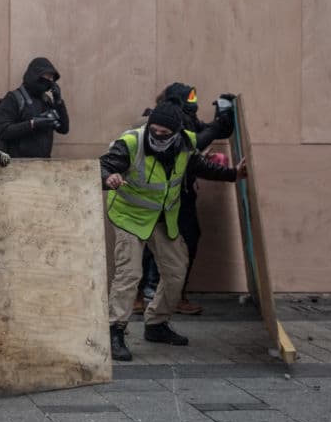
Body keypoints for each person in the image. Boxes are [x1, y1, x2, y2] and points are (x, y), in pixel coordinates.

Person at [101, 100, 244, 362]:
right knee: (129, 273)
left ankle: (157, 324)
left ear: (176, 132)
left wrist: (232, 174)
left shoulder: (186, 144)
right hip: (128, 216)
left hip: (162, 218)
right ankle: (115, 331)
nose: (158, 137)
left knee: (176, 271)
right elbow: (103, 166)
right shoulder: (131, 143)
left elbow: (199, 167)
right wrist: (108, 177)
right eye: (154, 131)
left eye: (164, 133)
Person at [135, 84, 236, 315]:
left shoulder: (188, 118)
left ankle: (174, 295)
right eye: (189, 98)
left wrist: (224, 111)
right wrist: (217, 126)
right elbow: (193, 143)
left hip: (182, 192)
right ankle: (140, 295)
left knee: (188, 239)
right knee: (149, 245)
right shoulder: (164, 119)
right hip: (158, 194)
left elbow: (213, 133)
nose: (193, 102)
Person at [0, 57, 69, 159]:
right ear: (35, 75)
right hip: (18, 164)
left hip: (44, 164)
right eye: (47, 76)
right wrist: (32, 124)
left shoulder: (46, 100)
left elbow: (64, 129)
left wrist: (58, 101)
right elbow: (2, 132)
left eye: (52, 78)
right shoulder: (14, 98)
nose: (50, 81)